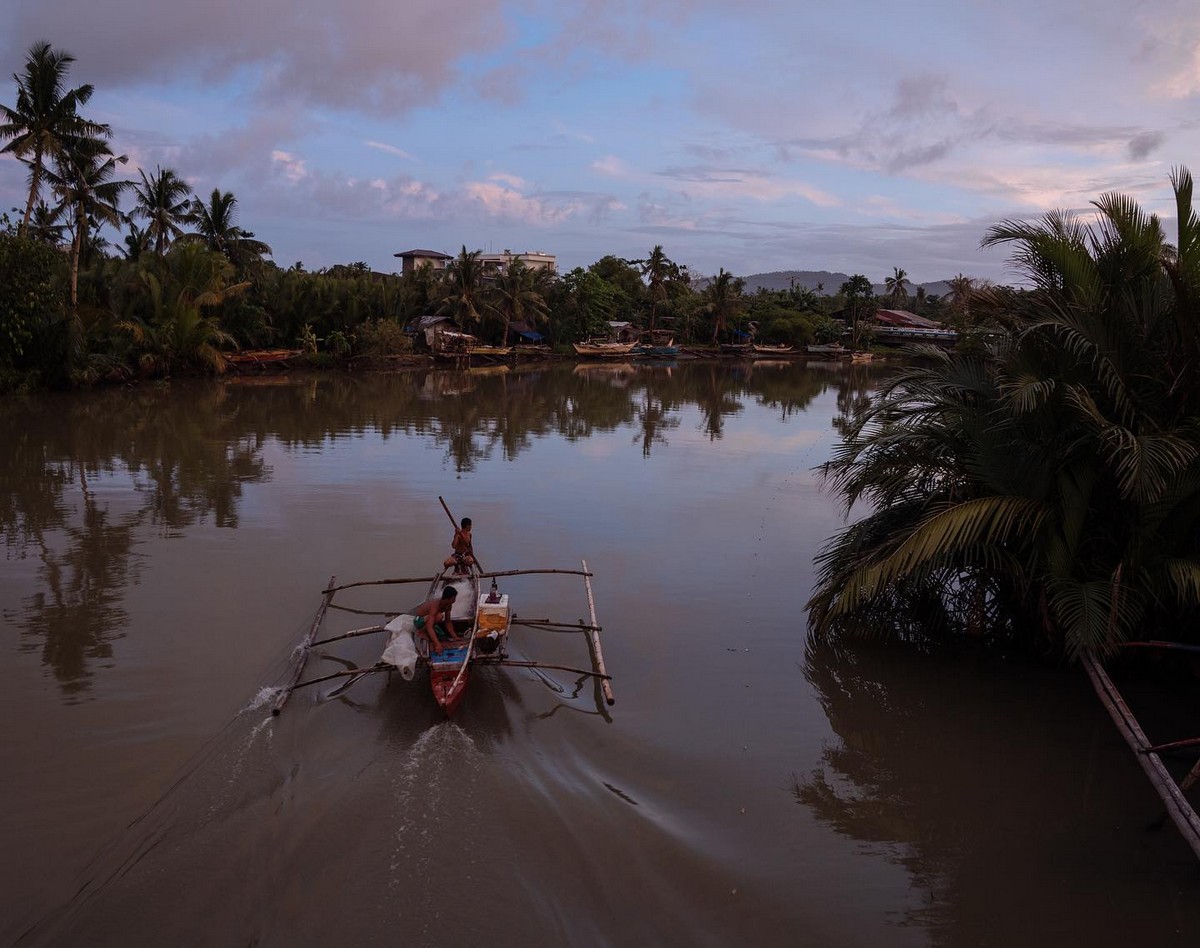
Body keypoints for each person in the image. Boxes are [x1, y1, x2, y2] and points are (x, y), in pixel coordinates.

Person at [413, 585, 460, 654]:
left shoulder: (448, 605)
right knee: (439, 616)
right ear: (448, 598)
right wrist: (437, 644)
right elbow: (429, 626)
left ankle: (427, 632)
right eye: (453, 598)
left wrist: (454, 636)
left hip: (430, 621)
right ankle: (422, 631)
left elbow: (448, 622)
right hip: (419, 620)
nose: (454, 600)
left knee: (443, 637)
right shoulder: (435, 605)